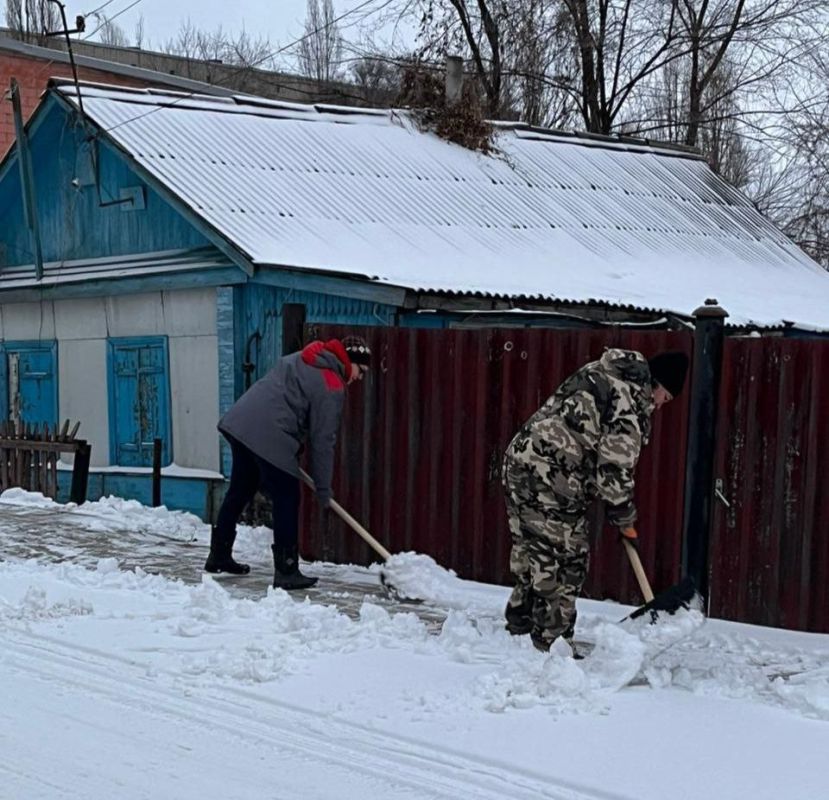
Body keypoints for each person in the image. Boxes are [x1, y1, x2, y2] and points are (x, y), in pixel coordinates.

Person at [501, 348, 689, 654]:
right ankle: (549, 643)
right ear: (655, 386)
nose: (659, 406)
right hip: (551, 477)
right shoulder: (630, 400)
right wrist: (624, 514)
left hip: (522, 464)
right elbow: (614, 468)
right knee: (566, 557)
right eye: (664, 398)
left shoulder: (605, 371)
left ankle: (521, 624)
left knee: (533, 548)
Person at [205, 335, 372, 589]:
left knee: (240, 489)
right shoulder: (331, 383)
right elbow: (323, 440)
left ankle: (218, 554)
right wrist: (324, 488)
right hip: (270, 432)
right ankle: (287, 571)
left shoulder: (303, 358)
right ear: (349, 361)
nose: (360, 377)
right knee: (287, 496)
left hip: (241, 422)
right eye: (362, 370)